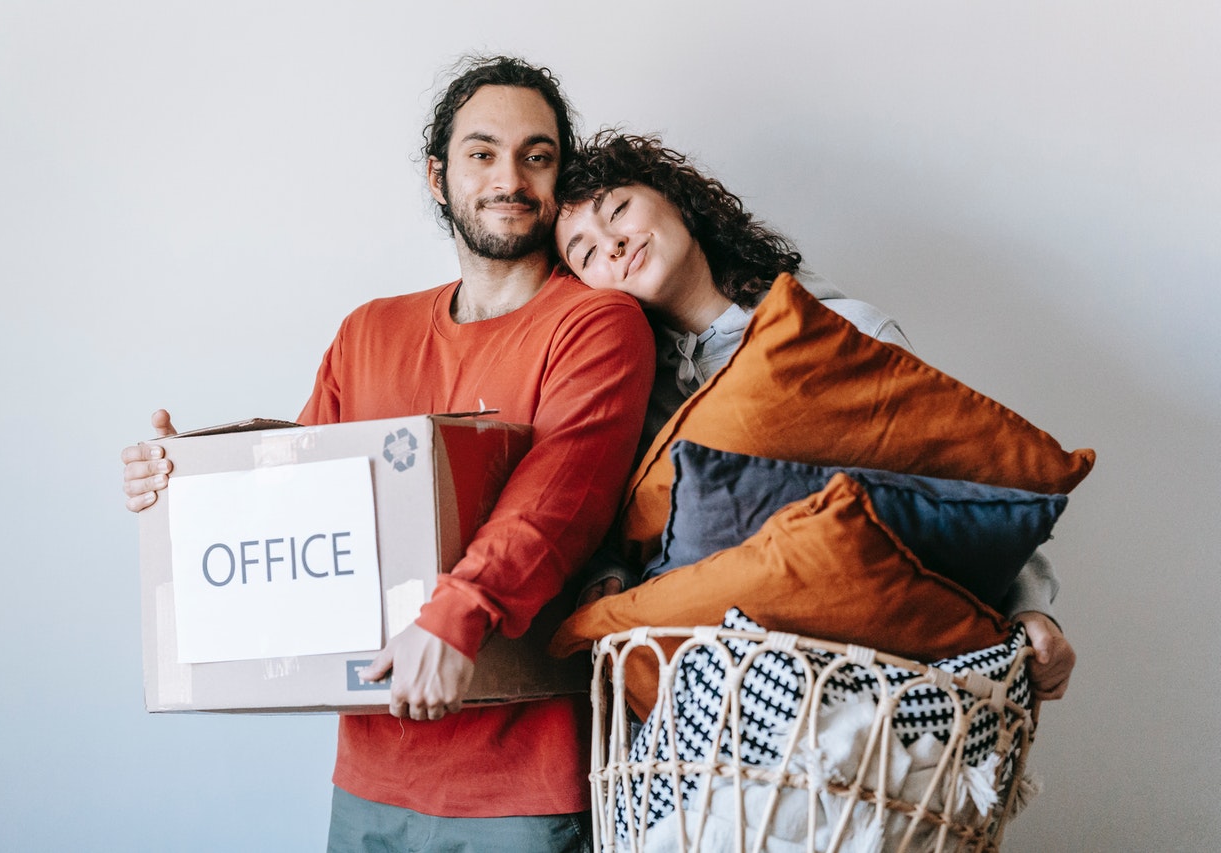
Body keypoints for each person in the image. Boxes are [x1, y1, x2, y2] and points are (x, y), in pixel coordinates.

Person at [122, 58, 655, 852]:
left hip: (520, 783)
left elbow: (556, 499)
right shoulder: (368, 331)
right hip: (368, 775)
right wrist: (186, 484)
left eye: (536, 156)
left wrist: (457, 615)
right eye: (482, 152)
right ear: (439, 178)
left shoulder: (598, 325)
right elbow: (294, 499)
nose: (509, 177)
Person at [552, 131, 1075, 701]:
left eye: (619, 210)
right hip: (717, 707)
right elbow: (629, 546)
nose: (611, 243)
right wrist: (609, 582)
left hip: (880, 674)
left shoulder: (849, 333)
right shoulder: (624, 398)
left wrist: (1032, 610)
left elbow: (962, 492)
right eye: (583, 252)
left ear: (676, 199)